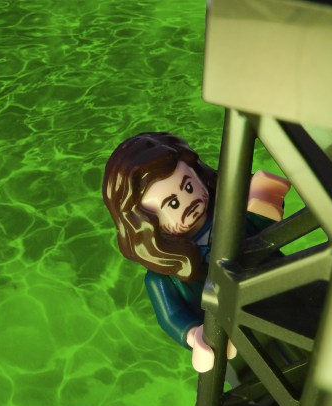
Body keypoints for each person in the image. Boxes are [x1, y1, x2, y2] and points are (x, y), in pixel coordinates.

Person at [102, 132, 290, 372]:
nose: (187, 201)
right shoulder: (163, 278)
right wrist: (195, 335)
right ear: (144, 222)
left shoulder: (229, 215)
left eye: (189, 186)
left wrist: (263, 200)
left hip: (285, 295)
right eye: (172, 204)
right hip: (239, 340)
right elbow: (171, 316)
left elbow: (262, 227)